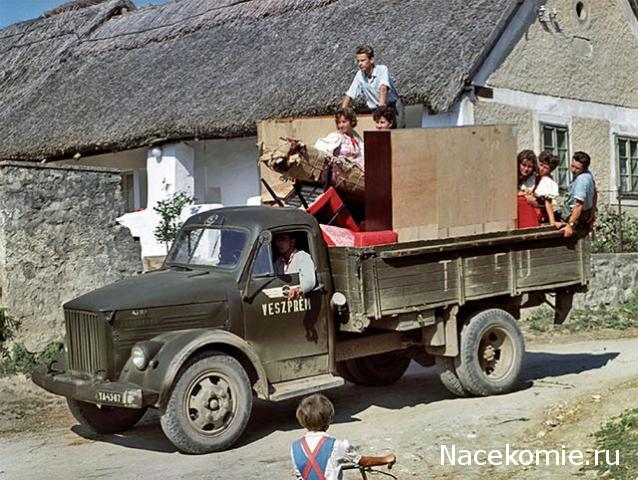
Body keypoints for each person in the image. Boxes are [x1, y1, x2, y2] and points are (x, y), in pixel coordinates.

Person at [291, 394, 396, 480]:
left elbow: (300, 476)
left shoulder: (295, 448)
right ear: (329, 419)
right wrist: (385, 459)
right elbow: (364, 461)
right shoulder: (337, 445)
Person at [342, 46, 404, 128]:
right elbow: (350, 94)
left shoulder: (382, 69)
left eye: (362, 60)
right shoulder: (359, 75)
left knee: (398, 132)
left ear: (371, 60)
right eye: (358, 61)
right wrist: (342, 113)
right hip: (377, 109)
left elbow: (383, 88)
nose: (359, 64)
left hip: (393, 106)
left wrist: (381, 111)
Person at [559, 151, 597, 238]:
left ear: (584, 168)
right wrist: (592, 211)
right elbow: (595, 192)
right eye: (572, 166)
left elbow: (579, 205)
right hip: (585, 213)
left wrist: (570, 225)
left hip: (577, 216)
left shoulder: (581, 180)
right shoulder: (588, 175)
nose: (573, 170)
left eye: (577, 168)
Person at [274, 233, 316, 299]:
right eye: (277, 240)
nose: (279, 243)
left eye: (282, 239)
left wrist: (299, 289)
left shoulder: (302, 256)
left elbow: (310, 281)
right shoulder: (278, 263)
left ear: (292, 242)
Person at [527, 152, 560, 226]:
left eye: (545, 168)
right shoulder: (536, 176)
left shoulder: (547, 181)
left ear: (550, 170)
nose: (541, 169)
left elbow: (548, 202)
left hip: (540, 216)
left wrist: (552, 221)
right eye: (541, 165)